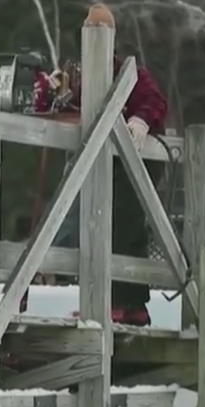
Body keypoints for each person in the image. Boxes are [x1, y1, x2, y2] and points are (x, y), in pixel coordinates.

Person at [52, 52, 170, 326]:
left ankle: (120, 303)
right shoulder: (87, 84)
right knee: (115, 227)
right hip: (110, 161)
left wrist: (141, 121)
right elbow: (73, 113)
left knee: (121, 225)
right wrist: (53, 95)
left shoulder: (132, 75)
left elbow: (155, 102)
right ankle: (131, 306)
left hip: (140, 159)